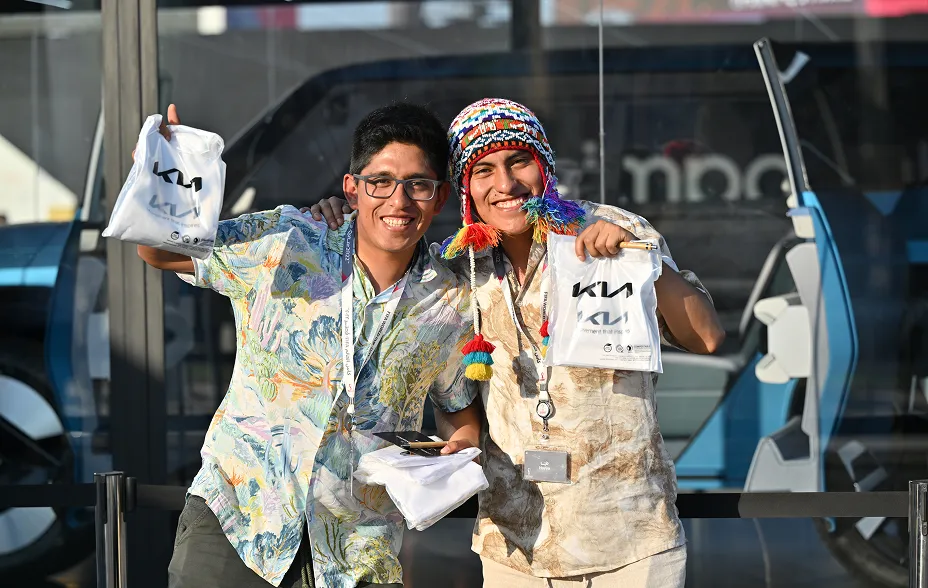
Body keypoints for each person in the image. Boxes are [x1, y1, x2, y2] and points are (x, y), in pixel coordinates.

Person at [308, 98, 726, 587]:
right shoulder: (461, 266)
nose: (505, 185)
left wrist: (639, 263)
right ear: (465, 188)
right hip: (515, 547)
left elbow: (707, 337)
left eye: (518, 161)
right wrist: (340, 212)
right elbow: (452, 387)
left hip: (630, 538)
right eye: (483, 169)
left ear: (543, 166)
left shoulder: (606, 230)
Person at [136, 103, 482, 588]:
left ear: (440, 196)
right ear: (352, 189)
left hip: (356, 547)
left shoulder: (453, 302)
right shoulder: (286, 240)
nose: (398, 200)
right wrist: (167, 172)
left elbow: (459, 413)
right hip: (239, 522)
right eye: (380, 181)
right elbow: (158, 250)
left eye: (417, 185)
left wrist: (454, 456)